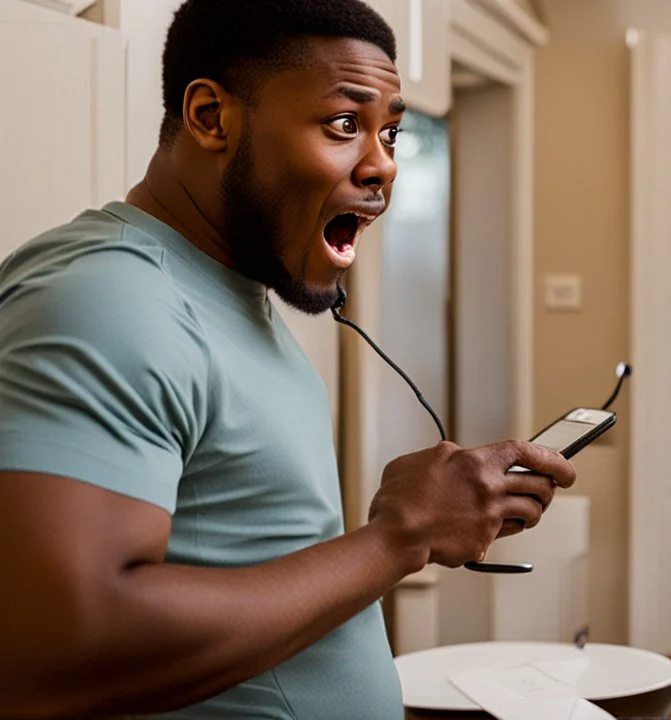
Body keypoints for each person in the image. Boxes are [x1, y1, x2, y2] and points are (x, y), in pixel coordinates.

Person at [0, 1, 575, 718]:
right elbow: (54, 654)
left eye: (390, 131)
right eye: (344, 123)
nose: (383, 165)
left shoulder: (235, 298)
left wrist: (406, 522)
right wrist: (401, 536)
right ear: (212, 117)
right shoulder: (110, 296)